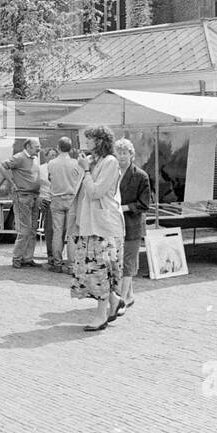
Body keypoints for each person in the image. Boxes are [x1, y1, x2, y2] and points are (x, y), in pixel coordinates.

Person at [71, 125, 125, 331]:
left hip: (103, 226)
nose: (86, 143)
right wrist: (85, 167)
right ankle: (114, 300)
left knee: (100, 270)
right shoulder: (97, 162)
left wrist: (86, 170)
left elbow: (95, 191)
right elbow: (81, 189)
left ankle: (102, 314)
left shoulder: (110, 162)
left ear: (100, 141)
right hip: (91, 224)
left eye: (90, 139)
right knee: (93, 269)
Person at [116, 138, 151, 311]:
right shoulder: (112, 172)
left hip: (132, 225)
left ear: (131, 155)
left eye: (125, 153)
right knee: (120, 261)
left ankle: (121, 301)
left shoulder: (141, 176)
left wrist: (124, 207)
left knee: (128, 262)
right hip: (114, 225)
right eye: (119, 152)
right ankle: (129, 296)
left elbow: (145, 204)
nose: (121, 156)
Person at [2, 138, 43, 268]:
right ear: (28, 147)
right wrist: (12, 183)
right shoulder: (19, 157)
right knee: (25, 230)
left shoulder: (33, 159)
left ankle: (27, 258)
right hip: (23, 196)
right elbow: (1, 166)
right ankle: (17, 258)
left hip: (34, 197)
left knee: (32, 230)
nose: (39, 148)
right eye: (37, 146)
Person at [46, 137, 84, 273]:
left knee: (57, 232)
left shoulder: (51, 163)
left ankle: (57, 263)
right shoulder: (76, 163)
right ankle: (71, 265)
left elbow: (50, 178)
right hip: (71, 199)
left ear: (58, 147)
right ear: (71, 148)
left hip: (56, 199)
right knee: (72, 233)